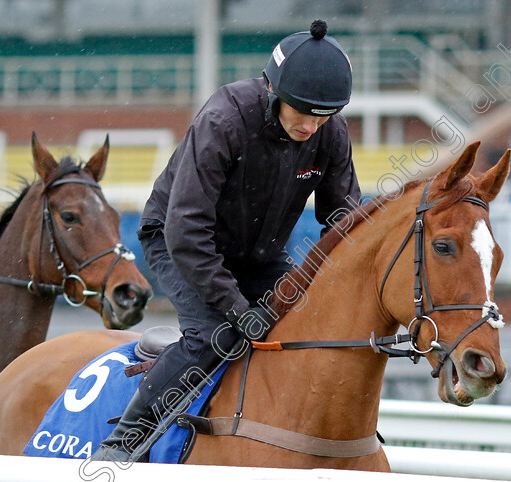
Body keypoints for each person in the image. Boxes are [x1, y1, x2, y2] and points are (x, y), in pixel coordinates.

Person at [91, 20, 360, 461]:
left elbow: (343, 220)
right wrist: (236, 307)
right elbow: (187, 230)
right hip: (179, 240)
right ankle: (122, 445)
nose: (312, 125)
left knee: (309, 323)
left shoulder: (329, 131)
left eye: (324, 114)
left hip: (259, 255)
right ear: (274, 93)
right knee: (214, 333)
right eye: (302, 111)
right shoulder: (224, 119)